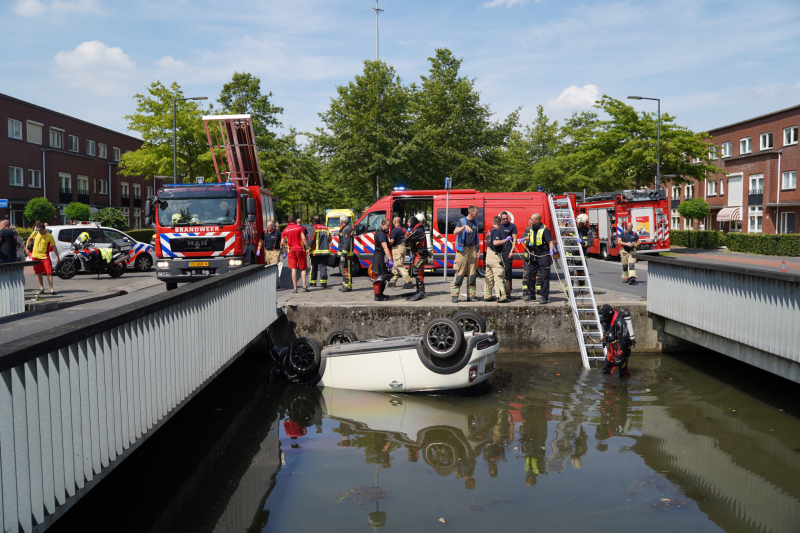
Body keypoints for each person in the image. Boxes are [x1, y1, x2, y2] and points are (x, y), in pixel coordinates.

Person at [520, 213, 553, 304]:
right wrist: (523, 239)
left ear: (537, 221)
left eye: (532, 219)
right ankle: (531, 295)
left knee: (544, 277)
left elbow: (550, 242)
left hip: (543, 255)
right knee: (530, 274)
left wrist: (551, 251)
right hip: (533, 254)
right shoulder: (532, 229)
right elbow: (531, 236)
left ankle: (544, 297)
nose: (530, 220)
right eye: (530, 218)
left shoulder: (545, 230)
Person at [450, 205, 480, 303]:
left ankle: (471, 296)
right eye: (476, 212)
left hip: (473, 250)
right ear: (471, 212)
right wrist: (464, 227)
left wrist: (478, 250)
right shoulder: (462, 221)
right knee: (459, 273)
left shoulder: (476, 222)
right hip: (462, 251)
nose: (478, 214)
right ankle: (454, 295)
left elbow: (477, 238)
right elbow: (455, 232)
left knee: (472, 275)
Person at [598, 304, 635, 378]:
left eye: (602, 315)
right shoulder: (608, 320)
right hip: (612, 348)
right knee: (605, 370)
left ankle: (623, 387)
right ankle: (607, 388)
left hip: (622, 349)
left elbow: (623, 339)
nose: (601, 317)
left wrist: (619, 355)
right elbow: (608, 331)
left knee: (623, 374)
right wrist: (605, 339)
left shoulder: (620, 322)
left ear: (608, 314)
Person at [26, 221, 60, 295]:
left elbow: (54, 246)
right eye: (38, 230)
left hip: (45, 257)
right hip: (35, 257)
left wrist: (57, 256)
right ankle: (41, 288)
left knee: (49, 272)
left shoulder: (49, 236)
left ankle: (51, 289)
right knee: (38, 273)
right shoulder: (35, 233)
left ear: (44, 229)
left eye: (40, 230)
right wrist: (26, 248)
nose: (39, 231)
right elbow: (29, 239)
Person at [483, 216, 508, 303]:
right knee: (499, 276)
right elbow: (495, 242)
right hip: (495, 256)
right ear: (500, 223)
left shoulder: (489, 231)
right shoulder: (496, 231)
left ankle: (487, 296)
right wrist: (505, 240)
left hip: (488, 255)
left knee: (489, 277)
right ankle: (501, 297)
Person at [404, 217, 430, 301]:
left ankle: (421, 292)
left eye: (409, 222)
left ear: (413, 222)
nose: (408, 224)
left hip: (420, 255)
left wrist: (408, 231)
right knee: (417, 272)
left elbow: (407, 239)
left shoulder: (418, 230)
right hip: (417, 254)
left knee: (417, 271)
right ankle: (419, 291)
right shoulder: (416, 230)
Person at [282, 214, 309, 293]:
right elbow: (304, 238)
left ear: (288, 220)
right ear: (295, 221)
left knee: (293, 269)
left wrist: (288, 245)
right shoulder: (299, 228)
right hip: (300, 250)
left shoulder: (285, 230)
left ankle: (295, 288)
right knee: (303, 268)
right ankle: (304, 287)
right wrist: (307, 248)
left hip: (291, 251)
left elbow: (282, 242)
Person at [388, 217, 412, 289]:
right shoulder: (403, 229)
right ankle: (392, 282)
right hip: (402, 248)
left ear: (395, 221)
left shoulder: (395, 230)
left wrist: (387, 245)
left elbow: (392, 241)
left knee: (399, 265)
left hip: (397, 249)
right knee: (395, 266)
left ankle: (408, 281)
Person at [371, 218, 393, 301]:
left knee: (382, 276)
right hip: (379, 257)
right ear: (383, 224)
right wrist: (390, 259)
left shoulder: (379, 232)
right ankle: (377, 296)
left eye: (389, 226)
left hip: (379, 256)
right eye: (387, 225)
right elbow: (385, 248)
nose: (388, 227)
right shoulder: (381, 234)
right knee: (379, 277)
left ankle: (381, 294)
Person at [497, 212, 517, 298]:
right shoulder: (499, 226)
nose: (505, 220)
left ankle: (509, 289)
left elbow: (515, 239)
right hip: (499, 251)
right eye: (504, 219)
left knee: (508, 270)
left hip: (508, 250)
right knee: (499, 270)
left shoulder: (512, 226)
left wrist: (512, 251)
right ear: (501, 219)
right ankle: (500, 289)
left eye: (506, 218)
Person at [309, 215, 331, 289]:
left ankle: (313, 283)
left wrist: (308, 249)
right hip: (325, 252)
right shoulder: (326, 229)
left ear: (314, 221)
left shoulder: (314, 228)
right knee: (323, 267)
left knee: (314, 267)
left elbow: (311, 239)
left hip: (315, 252)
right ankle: (323, 283)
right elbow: (330, 239)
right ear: (320, 221)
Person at [258, 220, 282, 288]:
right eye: (267, 225)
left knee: (274, 267)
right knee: (269, 267)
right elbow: (261, 241)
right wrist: (258, 250)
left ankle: (274, 284)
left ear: (273, 226)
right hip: (267, 252)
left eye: (269, 225)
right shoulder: (264, 232)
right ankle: (277, 282)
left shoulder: (277, 233)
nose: (268, 227)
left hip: (275, 251)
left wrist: (284, 251)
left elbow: (282, 242)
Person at [338, 215, 355, 292]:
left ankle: (347, 286)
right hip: (347, 254)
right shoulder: (347, 228)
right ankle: (346, 285)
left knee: (346, 271)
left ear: (342, 221)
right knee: (346, 270)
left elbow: (347, 243)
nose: (339, 221)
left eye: (339, 220)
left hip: (347, 254)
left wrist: (343, 254)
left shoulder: (345, 229)